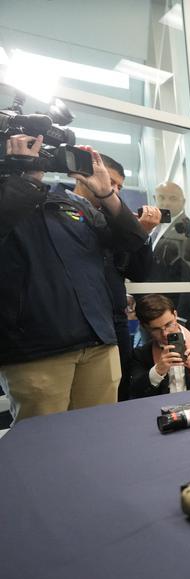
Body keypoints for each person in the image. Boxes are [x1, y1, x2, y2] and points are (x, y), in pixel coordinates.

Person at [0, 137, 147, 422]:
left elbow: (131, 240)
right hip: (36, 348)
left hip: (98, 341)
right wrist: (27, 178)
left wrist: (106, 193)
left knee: (100, 434)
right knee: (45, 446)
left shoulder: (70, 203)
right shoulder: (11, 198)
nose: (38, 156)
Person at [68, 153, 156, 402]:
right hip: (73, 324)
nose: (114, 189)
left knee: (117, 393)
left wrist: (141, 233)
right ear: (86, 176)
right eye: (111, 181)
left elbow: (138, 272)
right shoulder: (58, 209)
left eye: (118, 186)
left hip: (113, 322)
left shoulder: (117, 222)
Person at [149, 180, 190, 325]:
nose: (166, 203)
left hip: (175, 312)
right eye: (161, 197)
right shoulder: (153, 228)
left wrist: (180, 316)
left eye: (173, 198)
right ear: (154, 199)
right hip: (151, 308)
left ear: (183, 201)